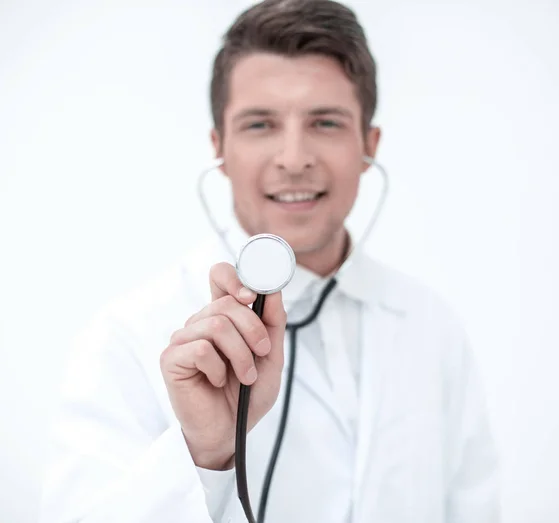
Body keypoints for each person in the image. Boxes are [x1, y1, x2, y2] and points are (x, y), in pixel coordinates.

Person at [39, 0, 500, 521]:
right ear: (220, 150)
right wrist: (205, 453)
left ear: (369, 145)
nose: (294, 157)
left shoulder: (431, 326)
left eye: (325, 122)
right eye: (260, 125)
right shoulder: (126, 337)